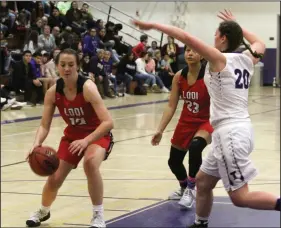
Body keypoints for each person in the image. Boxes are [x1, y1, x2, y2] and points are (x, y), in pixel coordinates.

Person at [133, 9, 280, 228]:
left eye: (215, 35)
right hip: (234, 130)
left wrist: (154, 26)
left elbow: (187, 38)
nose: (212, 39)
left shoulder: (219, 59)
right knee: (202, 182)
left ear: (222, 38)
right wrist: (236, 24)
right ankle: (200, 223)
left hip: (231, 133)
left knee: (240, 197)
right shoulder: (248, 58)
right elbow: (258, 41)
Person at [25, 49, 114, 228]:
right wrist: (36, 144)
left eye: (71, 65)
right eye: (63, 65)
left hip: (97, 134)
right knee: (54, 177)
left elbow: (108, 122)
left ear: (78, 66)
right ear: (57, 66)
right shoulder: (52, 92)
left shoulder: (87, 87)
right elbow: (44, 125)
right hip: (72, 137)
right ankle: (43, 210)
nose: (67, 69)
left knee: (90, 163)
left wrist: (86, 140)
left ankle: (98, 215)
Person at [151, 45, 212, 209]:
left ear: (203, 55)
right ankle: (184, 187)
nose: (190, 53)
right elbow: (171, 106)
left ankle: (192, 189)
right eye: (187, 50)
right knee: (173, 161)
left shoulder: (210, 76)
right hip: (186, 121)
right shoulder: (179, 76)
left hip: (206, 121)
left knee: (195, 146)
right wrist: (160, 130)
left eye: (195, 50)